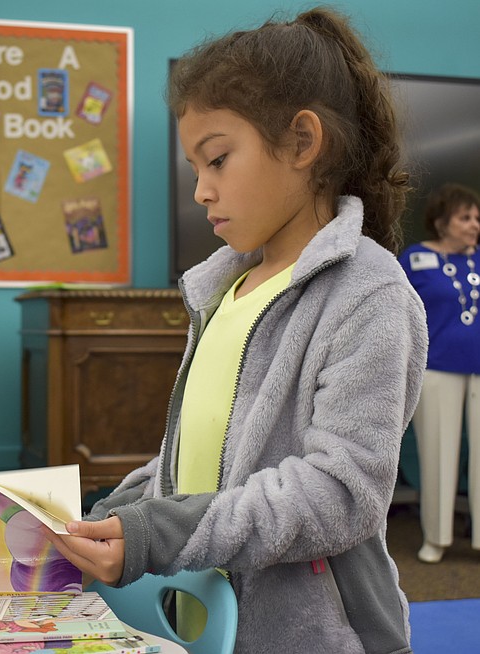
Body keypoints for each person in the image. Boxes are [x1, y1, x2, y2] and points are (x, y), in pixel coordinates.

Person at [43, 7, 428, 654]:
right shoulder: (225, 288)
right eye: (197, 167)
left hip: (314, 638)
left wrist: (157, 533)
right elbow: (197, 461)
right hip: (206, 624)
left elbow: (337, 493)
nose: (201, 190)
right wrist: (110, 515)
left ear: (303, 143)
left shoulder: (370, 291)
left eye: (217, 159)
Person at [398, 183, 480, 564]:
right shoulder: (414, 259)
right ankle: (436, 537)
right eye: (466, 217)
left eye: (476, 218)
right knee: (436, 452)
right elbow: (396, 312)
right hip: (435, 369)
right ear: (442, 221)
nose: (474, 225)